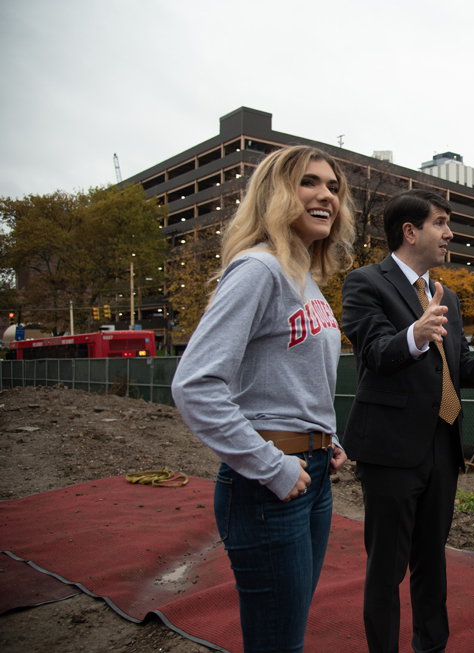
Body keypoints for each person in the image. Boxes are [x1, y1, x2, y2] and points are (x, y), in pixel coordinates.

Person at [171, 145, 355, 652]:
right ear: (276, 194)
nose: (326, 196)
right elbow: (195, 385)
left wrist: (327, 435)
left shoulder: (306, 280)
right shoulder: (258, 269)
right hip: (269, 483)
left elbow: (289, 379)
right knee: (278, 643)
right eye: (309, 183)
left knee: (286, 633)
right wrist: (270, 466)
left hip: (312, 474)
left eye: (333, 187)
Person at [341, 189, 474, 653]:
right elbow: (375, 354)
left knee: (432, 562)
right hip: (391, 450)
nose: (450, 233)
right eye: (441, 223)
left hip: (441, 445)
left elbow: (452, 364)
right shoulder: (365, 284)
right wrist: (413, 333)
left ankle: (431, 646)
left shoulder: (446, 296)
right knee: (387, 569)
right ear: (410, 231)